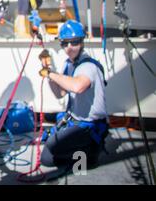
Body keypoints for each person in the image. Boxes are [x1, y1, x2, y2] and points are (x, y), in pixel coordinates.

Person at [39, 20, 109, 168]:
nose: (70, 48)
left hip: (89, 126)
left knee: (51, 151)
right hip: (75, 121)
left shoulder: (88, 66)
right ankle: (83, 154)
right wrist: (48, 72)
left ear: (82, 42)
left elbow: (78, 86)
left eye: (74, 42)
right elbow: (60, 93)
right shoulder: (69, 65)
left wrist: (51, 74)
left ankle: (90, 154)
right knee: (46, 157)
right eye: (65, 44)